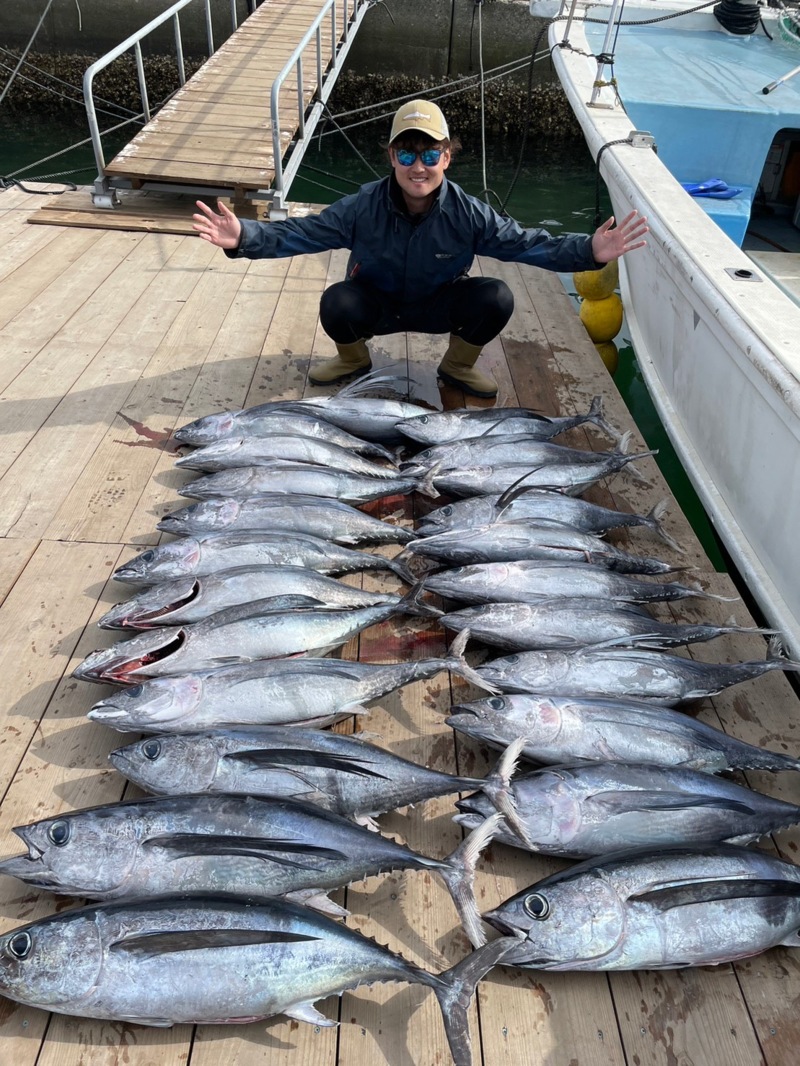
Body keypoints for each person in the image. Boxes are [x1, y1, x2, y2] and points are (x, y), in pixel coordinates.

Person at [193, 98, 648, 398]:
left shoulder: (469, 213)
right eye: (407, 154)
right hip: (377, 303)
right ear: (391, 157)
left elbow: (529, 245)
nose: (418, 166)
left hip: (437, 305)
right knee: (337, 301)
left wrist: (589, 250)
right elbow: (303, 233)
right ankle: (354, 359)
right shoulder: (361, 207)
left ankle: (456, 367)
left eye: (430, 154)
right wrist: (244, 238)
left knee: (496, 297)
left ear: (447, 157)